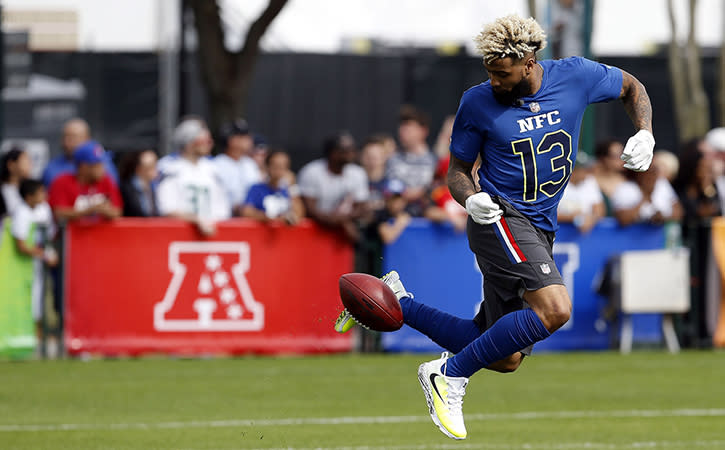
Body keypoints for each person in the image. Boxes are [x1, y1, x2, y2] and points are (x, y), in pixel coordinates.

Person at [335, 14, 655, 440]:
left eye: (502, 73)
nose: (495, 82)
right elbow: (457, 172)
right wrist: (471, 198)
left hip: (541, 225)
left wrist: (645, 132)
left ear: (528, 60)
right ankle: (447, 375)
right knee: (556, 309)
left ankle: (400, 301)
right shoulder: (477, 100)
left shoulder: (576, 75)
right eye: (489, 72)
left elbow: (633, 87)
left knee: (504, 356)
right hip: (499, 217)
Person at [156, 118, 230, 236]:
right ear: (190, 143)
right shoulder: (169, 168)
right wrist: (197, 220)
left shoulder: (213, 169)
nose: (210, 144)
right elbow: (167, 208)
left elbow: (222, 208)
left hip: (212, 236)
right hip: (177, 236)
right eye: (205, 141)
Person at [297, 132, 370, 242]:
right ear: (333, 153)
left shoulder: (357, 173)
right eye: (346, 150)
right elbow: (309, 209)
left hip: (343, 236)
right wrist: (339, 221)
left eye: (352, 149)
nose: (351, 153)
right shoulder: (312, 172)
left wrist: (342, 220)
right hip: (314, 234)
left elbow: (362, 207)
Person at [11, 179, 58, 344]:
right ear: (29, 197)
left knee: (43, 298)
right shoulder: (21, 212)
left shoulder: (44, 209)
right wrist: (44, 254)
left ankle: (43, 334)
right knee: (28, 300)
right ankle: (32, 336)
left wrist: (48, 253)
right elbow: (21, 245)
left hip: (39, 264)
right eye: (40, 193)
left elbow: (50, 236)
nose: (44, 196)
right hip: (22, 266)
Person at [47, 140, 123, 224]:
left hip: (99, 235)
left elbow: (117, 211)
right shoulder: (62, 182)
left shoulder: (106, 180)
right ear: (84, 167)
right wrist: (90, 210)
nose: (103, 169)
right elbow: (59, 213)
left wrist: (105, 211)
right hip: (70, 235)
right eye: (98, 165)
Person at [386, 106, 438, 211]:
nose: (402, 132)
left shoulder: (436, 162)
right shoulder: (392, 160)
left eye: (408, 128)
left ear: (423, 131)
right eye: (401, 127)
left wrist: (422, 192)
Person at [41, 118, 119, 186]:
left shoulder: (101, 162)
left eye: (73, 137)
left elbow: (112, 193)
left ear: (87, 138)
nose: (66, 142)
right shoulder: (51, 168)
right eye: (64, 137)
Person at [212, 119, 263, 216]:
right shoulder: (216, 165)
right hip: (226, 218)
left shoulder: (250, 164)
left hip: (251, 219)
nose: (250, 139)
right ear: (232, 140)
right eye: (244, 136)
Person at [241, 150, 304, 224]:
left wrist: (292, 186)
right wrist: (273, 218)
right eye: (275, 166)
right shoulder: (257, 189)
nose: (279, 170)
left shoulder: (289, 190)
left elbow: (299, 214)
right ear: (267, 166)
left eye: (283, 166)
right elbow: (246, 211)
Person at [557, 152, 605, 233]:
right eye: (585, 170)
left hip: (581, 237)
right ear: (574, 170)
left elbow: (600, 210)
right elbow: (550, 214)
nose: (588, 172)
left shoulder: (590, 181)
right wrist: (574, 217)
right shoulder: (557, 183)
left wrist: (591, 219)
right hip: (557, 237)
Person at [119, 149, 159, 217]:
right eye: (151, 167)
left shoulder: (153, 186)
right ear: (139, 168)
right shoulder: (127, 188)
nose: (156, 169)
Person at [592, 138, 627, 216]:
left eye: (623, 154)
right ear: (603, 158)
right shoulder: (590, 180)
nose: (622, 159)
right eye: (617, 156)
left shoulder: (626, 180)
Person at [1, 147, 33, 216]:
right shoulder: (3, 191)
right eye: (25, 162)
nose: (30, 166)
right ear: (11, 165)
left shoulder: (32, 189)